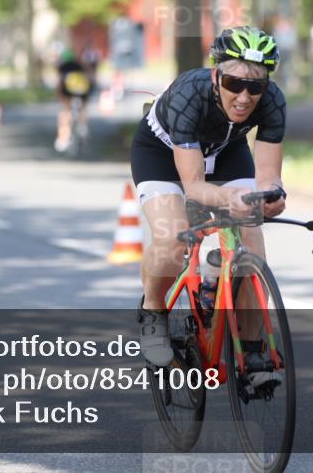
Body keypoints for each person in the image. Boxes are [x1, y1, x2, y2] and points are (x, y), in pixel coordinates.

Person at [131, 26, 287, 384]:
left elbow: (268, 175)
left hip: (226, 150)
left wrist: (273, 194)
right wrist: (231, 198)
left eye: (256, 87)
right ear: (216, 75)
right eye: (234, 84)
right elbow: (195, 187)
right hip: (163, 155)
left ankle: (252, 354)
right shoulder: (190, 93)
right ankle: (153, 310)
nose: (245, 97)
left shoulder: (274, 101)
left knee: (253, 244)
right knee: (172, 237)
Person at [54, 48, 93, 152]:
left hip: (68, 90)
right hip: (83, 90)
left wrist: (60, 97)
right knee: (83, 108)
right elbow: (89, 78)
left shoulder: (62, 67)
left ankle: (63, 138)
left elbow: (59, 84)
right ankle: (82, 126)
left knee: (65, 111)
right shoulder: (80, 66)